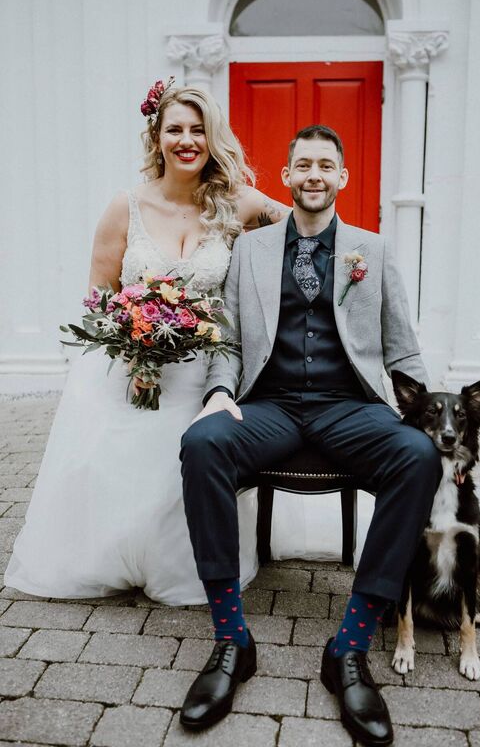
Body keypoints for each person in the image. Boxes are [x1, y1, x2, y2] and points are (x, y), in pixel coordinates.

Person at [178, 124, 443, 745]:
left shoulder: (372, 252)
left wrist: (426, 414)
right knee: (202, 443)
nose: (315, 174)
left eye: (326, 164)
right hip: (269, 404)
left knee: (417, 454)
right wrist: (219, 391)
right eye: (303, 165)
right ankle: (230, 641)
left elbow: (401, 347)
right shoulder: (252, 250)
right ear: (287, 175)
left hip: (349, 405)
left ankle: (348, 649)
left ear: (342, 177)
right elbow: (229, 336)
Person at [4, 82, 289, 605]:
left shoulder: (235, 202)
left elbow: (298, 229)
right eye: (174, 129)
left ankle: (188, 560)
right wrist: (132, 348)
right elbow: (98, 296)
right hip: (130, 363)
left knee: (193, 454)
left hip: (205, 372)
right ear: (156, 137)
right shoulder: (127, 206)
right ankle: (112, 554)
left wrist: (343, 265)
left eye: (198, 130)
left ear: (213, 137)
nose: (187, 140)